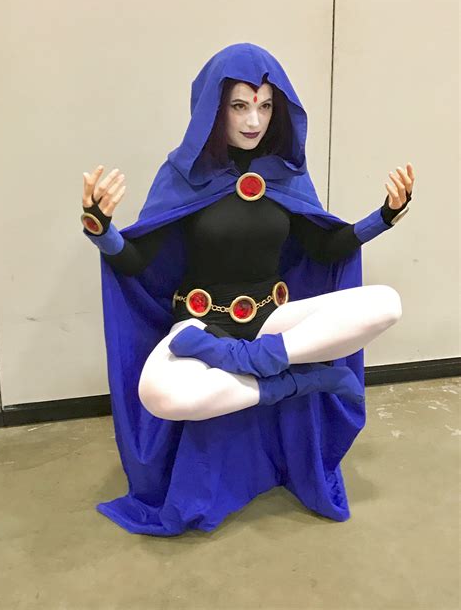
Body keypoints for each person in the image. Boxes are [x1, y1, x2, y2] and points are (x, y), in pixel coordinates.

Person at [81, 43, 414, 536]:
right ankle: (297, 380)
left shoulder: (286, 174)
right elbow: (137, 260)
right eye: (239, 105)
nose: (254, 120)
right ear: (214, 109)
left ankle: (262, 366)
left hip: (271, 322)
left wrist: (384, 216)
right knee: (158, 392)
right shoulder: (182, 178)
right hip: (202, 327)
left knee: (387, 302)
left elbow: (324, 248)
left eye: (264, 105)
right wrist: (101, 227)